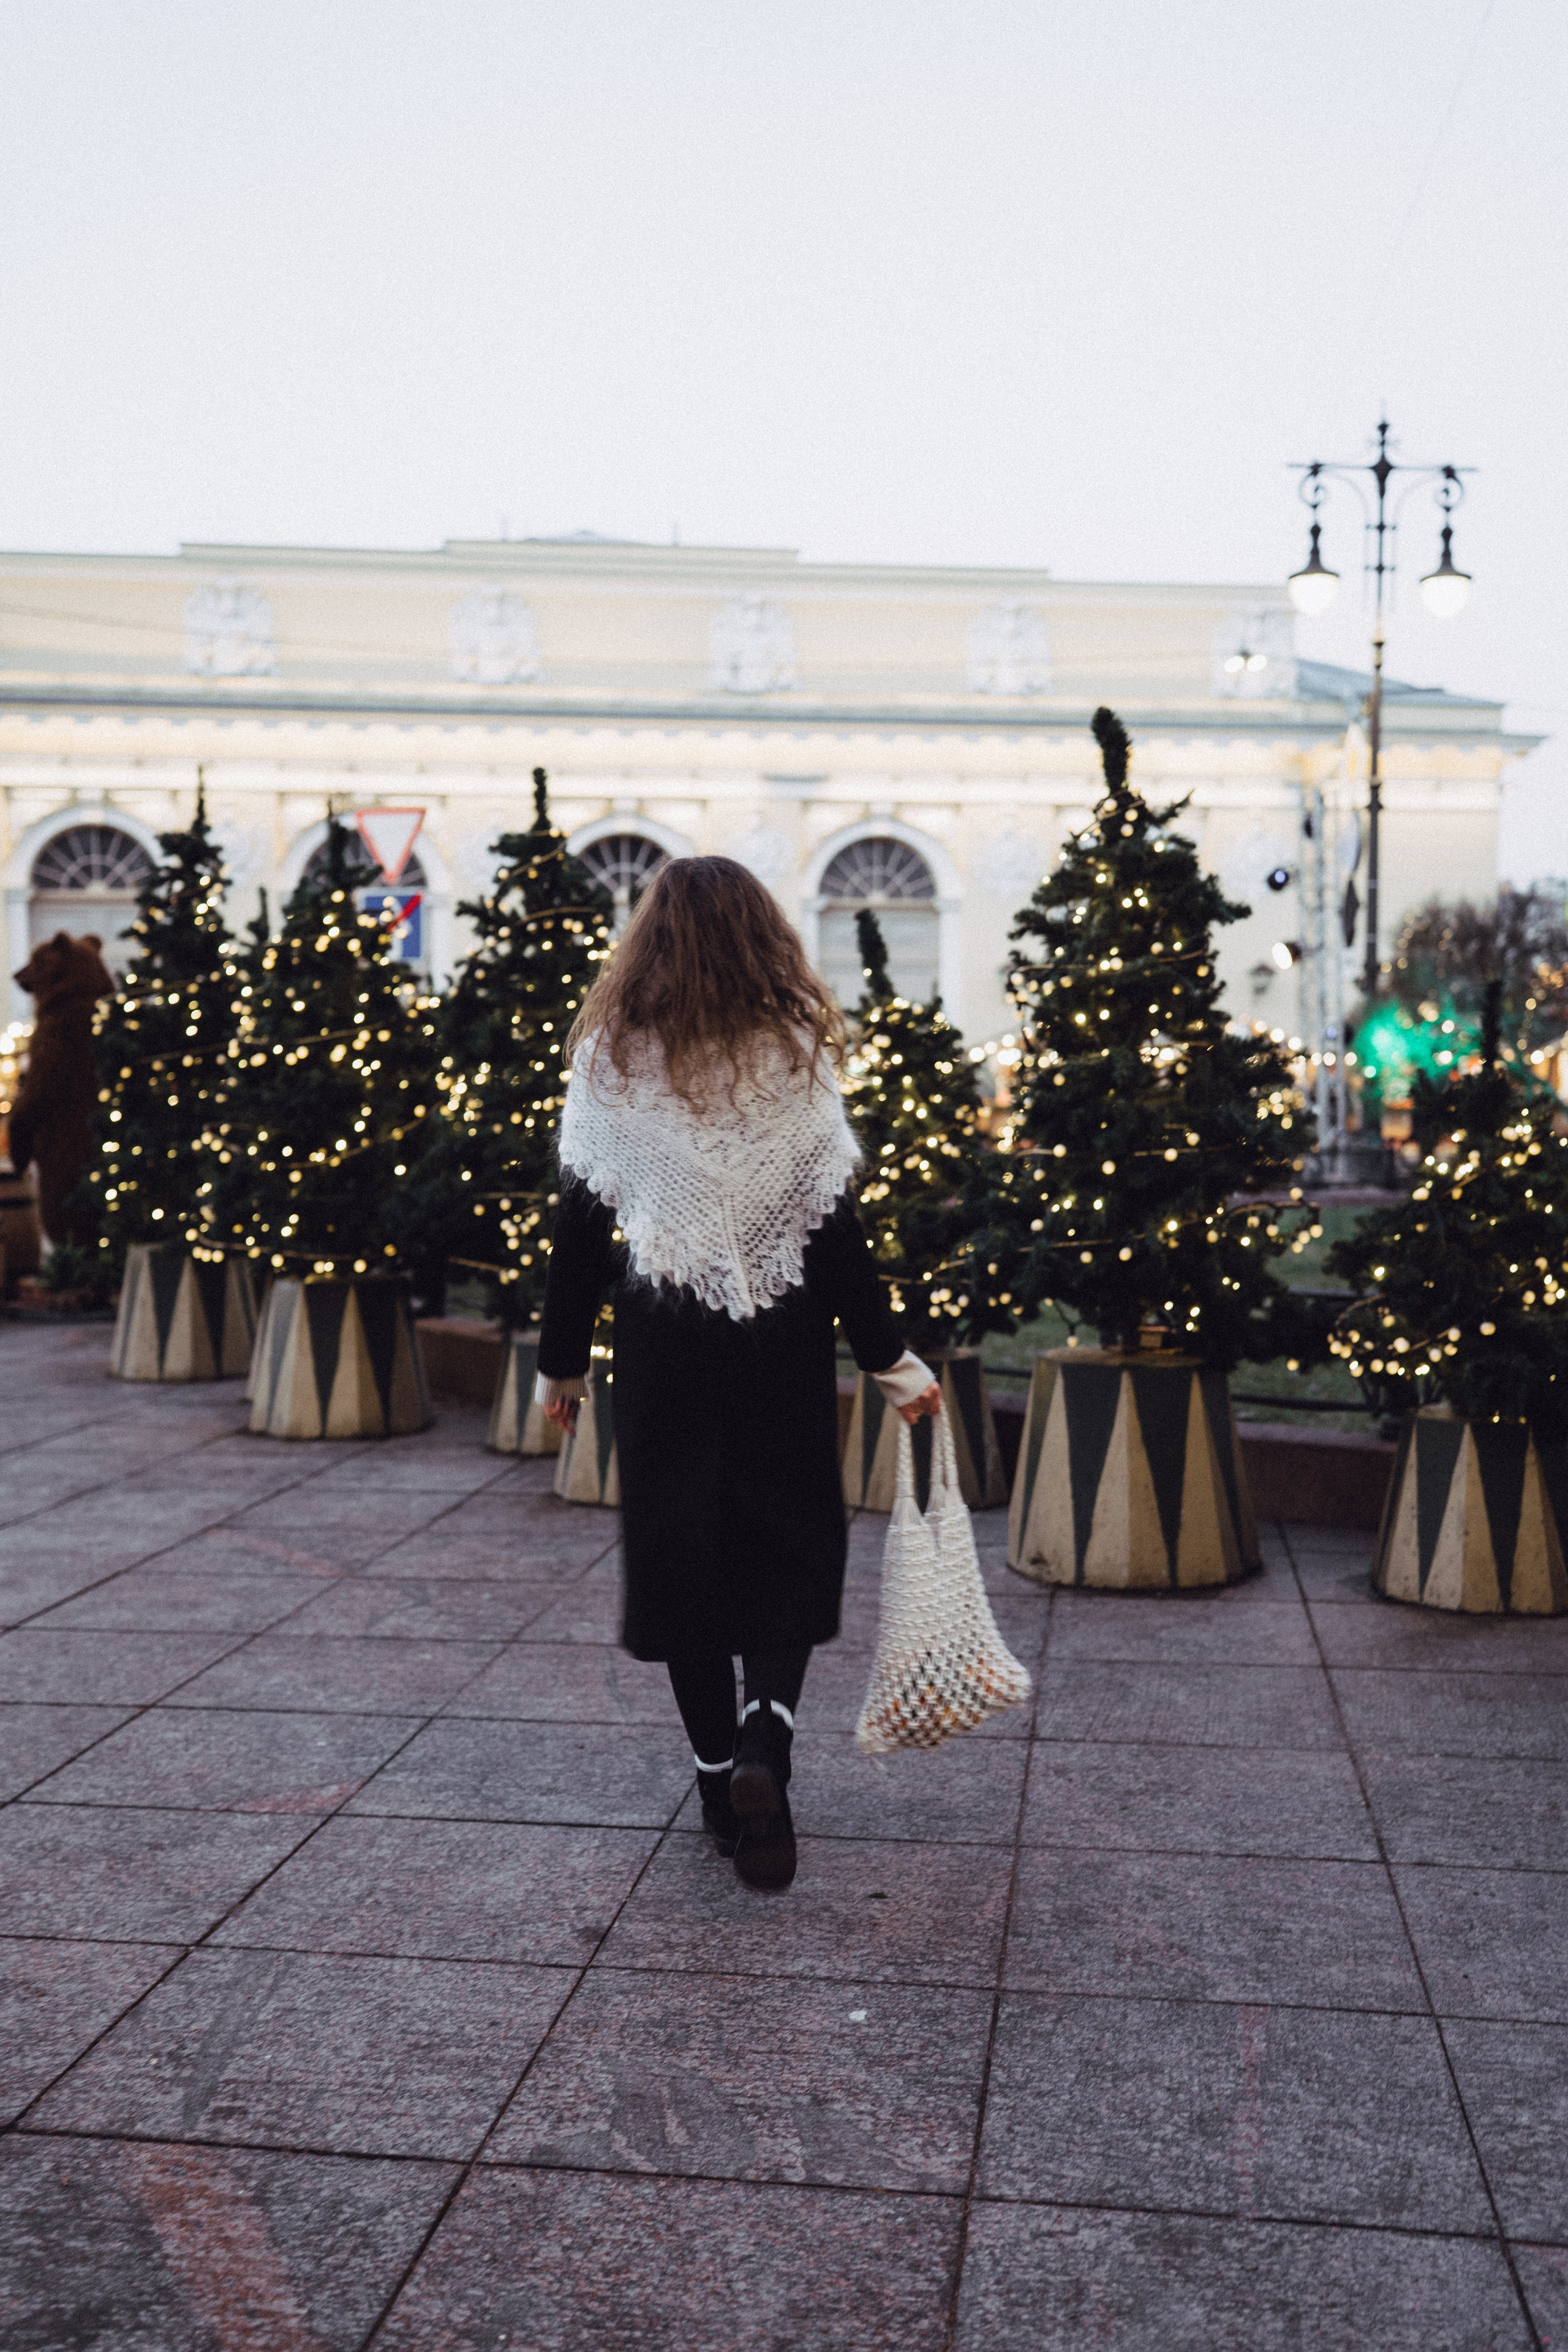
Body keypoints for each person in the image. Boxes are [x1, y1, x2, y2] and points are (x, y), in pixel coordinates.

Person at [537, 856, 940, 1892]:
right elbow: (836, 1232)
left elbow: (580, 1229)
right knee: (787, 1549)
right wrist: (890, 1360)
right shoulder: (793, 1055)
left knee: (683, 1567)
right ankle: (768, 1739)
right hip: (783, 1346)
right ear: (765, 937)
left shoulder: (612, 1060)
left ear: (651, 942)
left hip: (665, 1350)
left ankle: (721, 1788)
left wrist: (562, 1366)